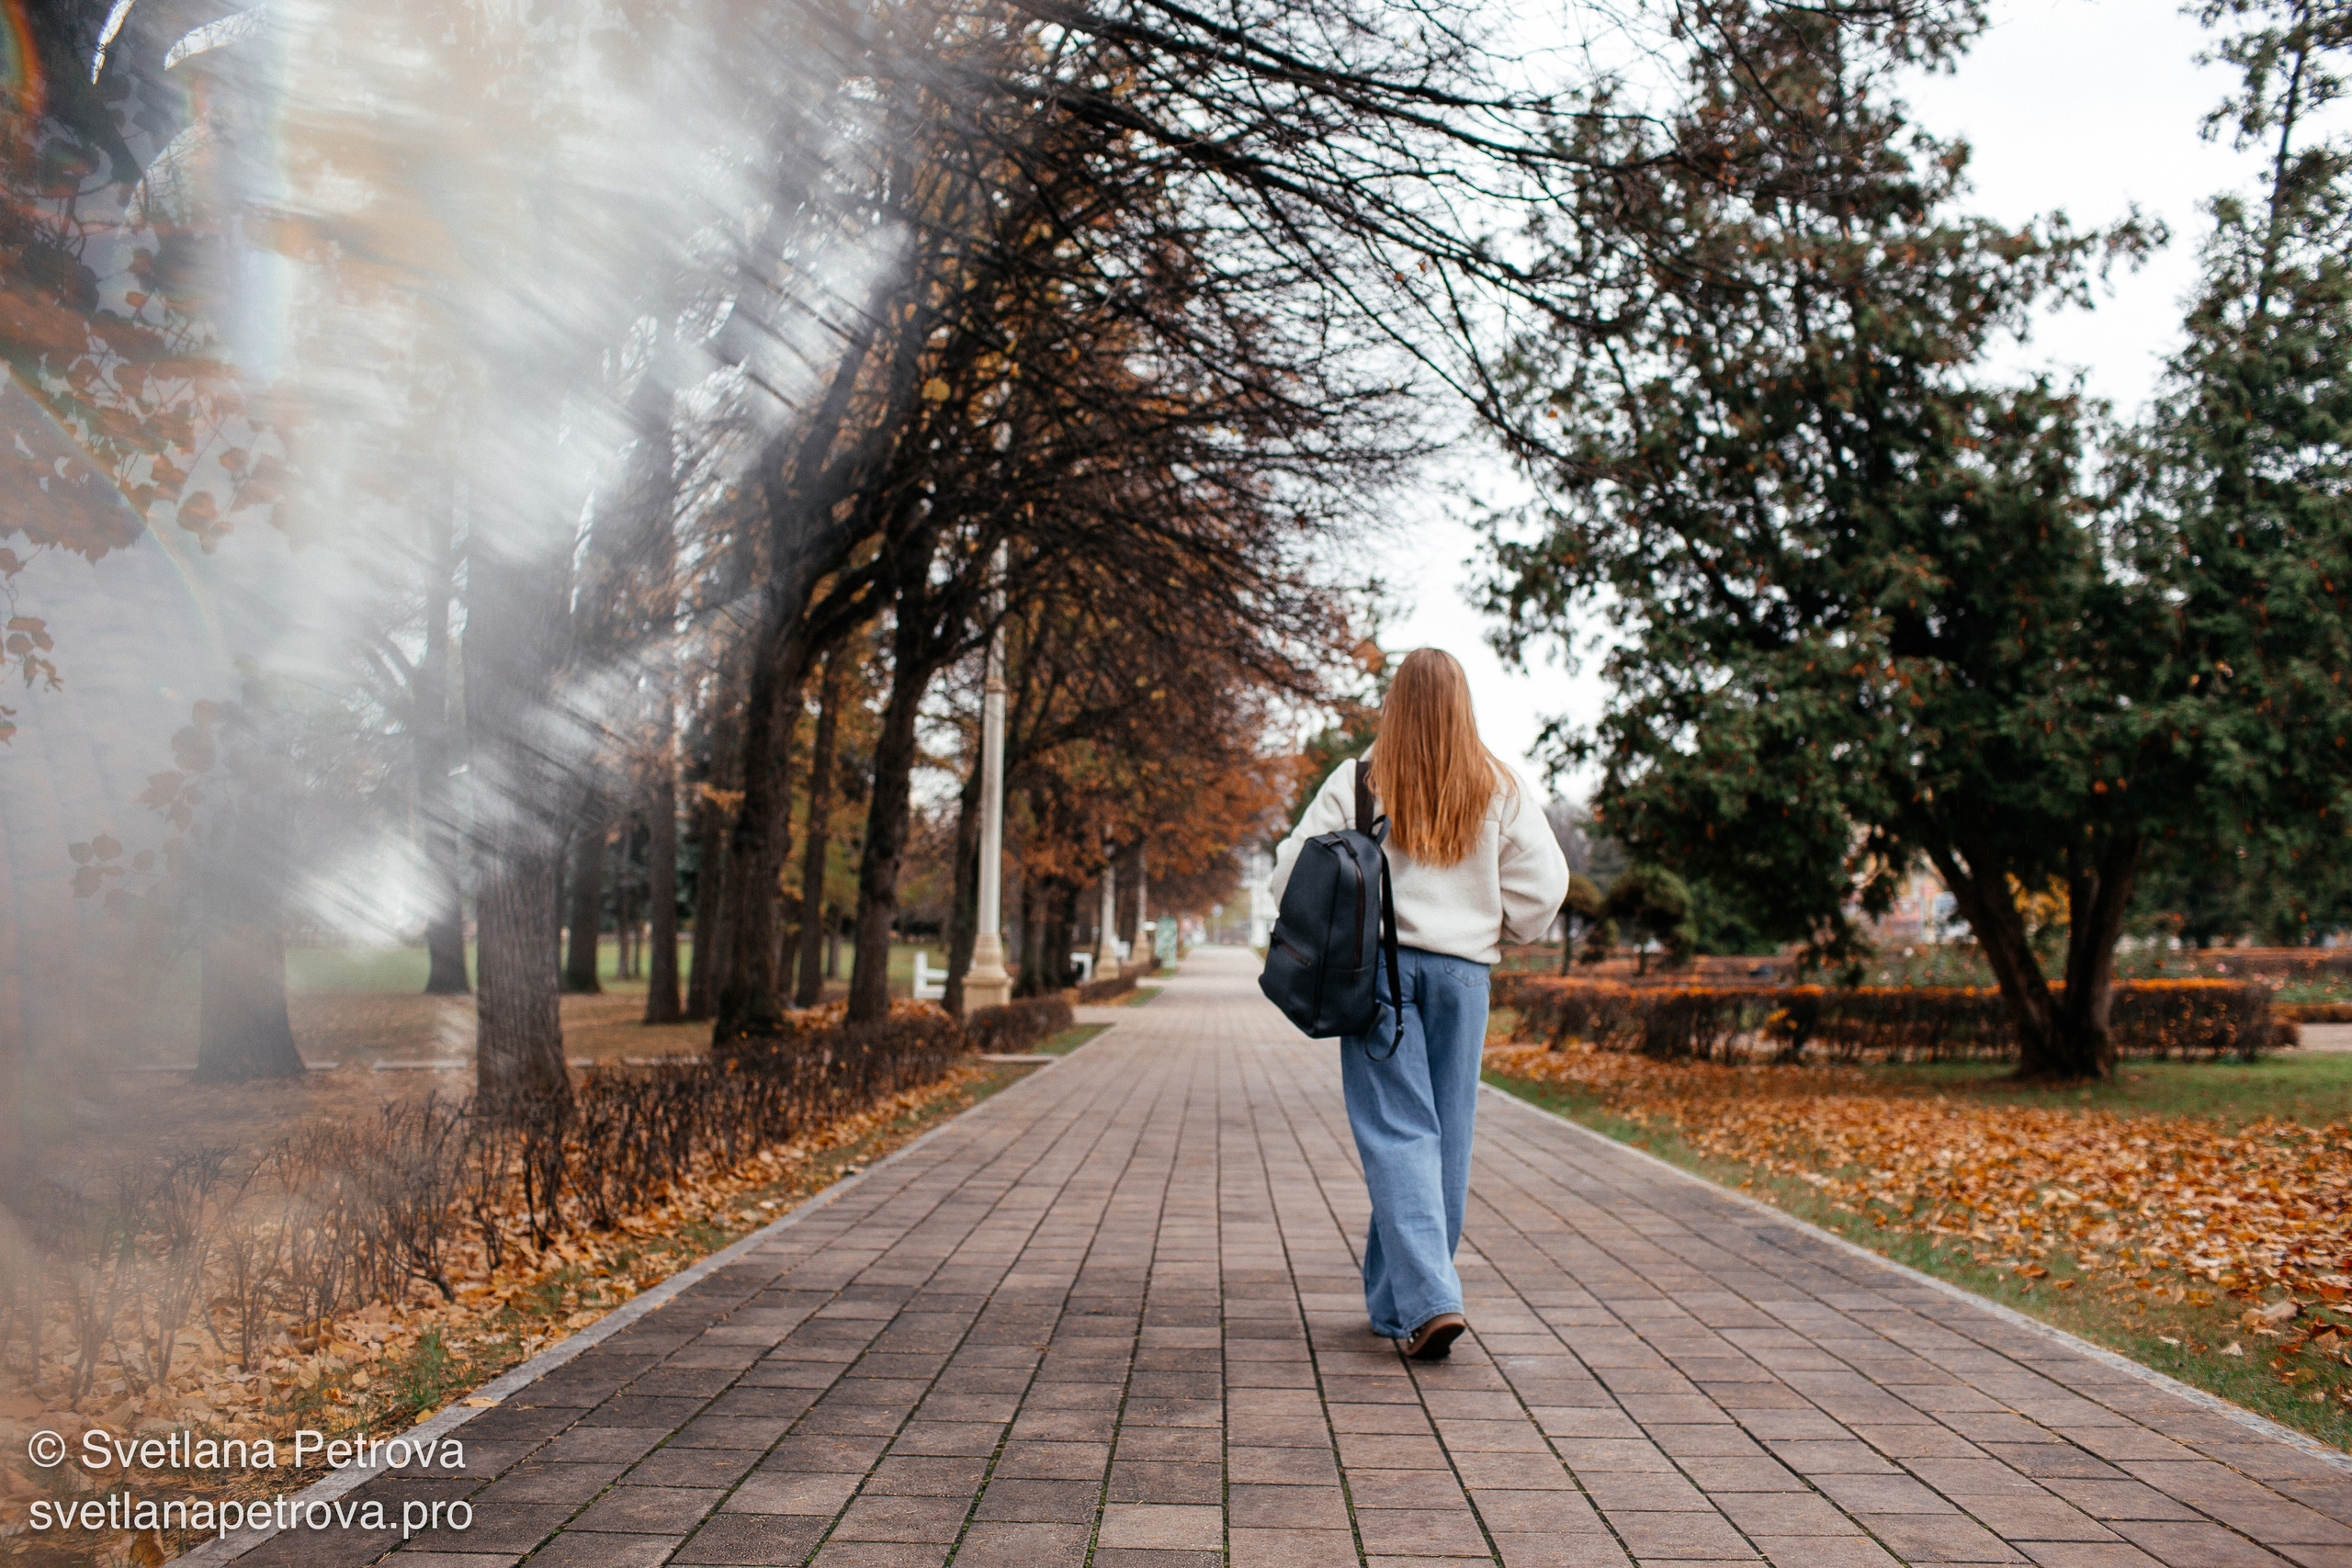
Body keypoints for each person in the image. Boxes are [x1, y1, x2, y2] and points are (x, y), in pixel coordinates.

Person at [1269, 649, 1568, 1359]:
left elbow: (1290, 874)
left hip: (1379, 975)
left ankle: (1432, 1300)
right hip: (1464, 978)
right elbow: (1546, 888)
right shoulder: (1497, 785)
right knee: (1447, 1136)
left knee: (1400, 1132)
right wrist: (1493, 922)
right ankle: (1396, 1304)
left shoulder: (1360, 781)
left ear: (1394, 702)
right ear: (1464, 704)